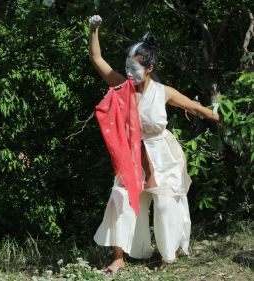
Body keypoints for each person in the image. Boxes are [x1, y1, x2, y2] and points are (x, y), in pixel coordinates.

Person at [88, 15, 221, 274]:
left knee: (163, 203)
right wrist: (94, 30)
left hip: (162, 156)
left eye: (135, 68)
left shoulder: (163, 92)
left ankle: (168, 255)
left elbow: (196, 108)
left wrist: (222, 116)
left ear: (149, 68)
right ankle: (118, 258)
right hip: (133, 156)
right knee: (121, 198)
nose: (129, 73)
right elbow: (97, 59)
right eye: (127, 67)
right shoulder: (121, 86)